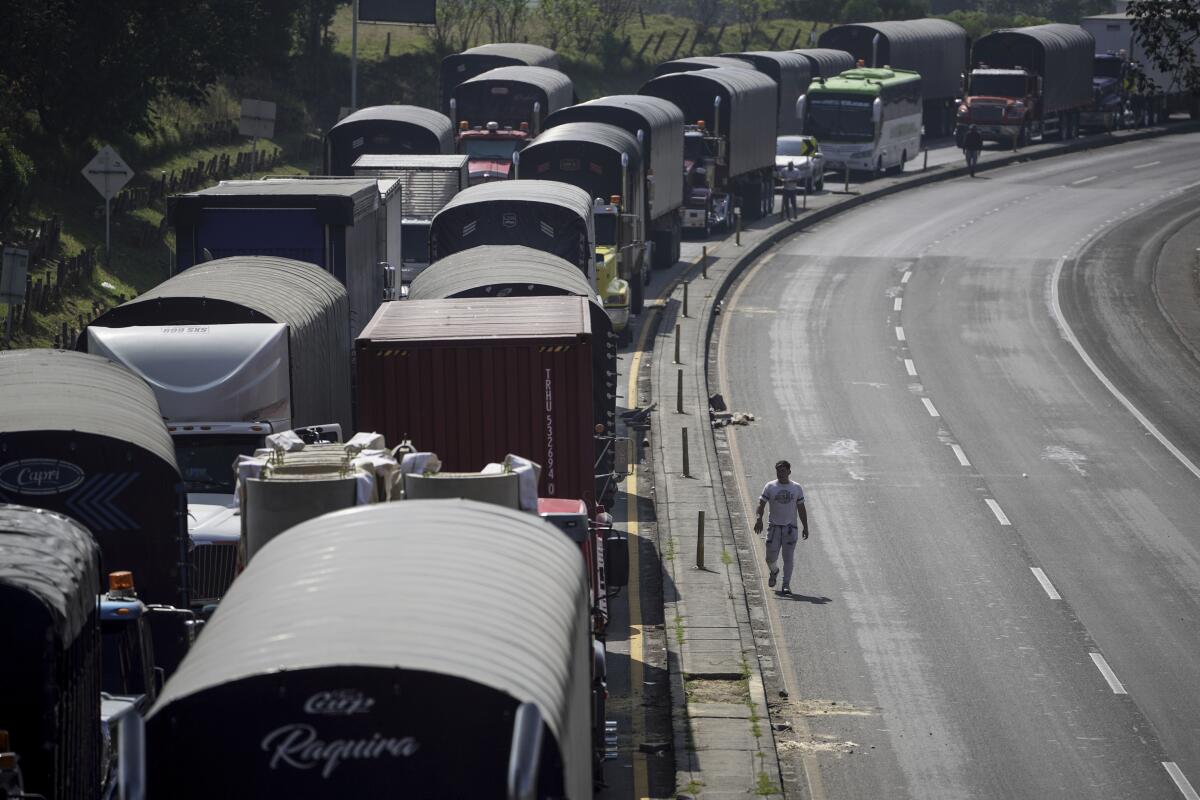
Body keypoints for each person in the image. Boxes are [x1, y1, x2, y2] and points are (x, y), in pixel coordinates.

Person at [753, 460, 809, 596]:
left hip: (790, 529)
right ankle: (774, 571)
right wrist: (759, 519)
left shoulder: (796, 488)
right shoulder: (770, 486)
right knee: (769, 559)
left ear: (789, 472)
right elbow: (761, 504)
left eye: (783, 471)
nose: (780, 473)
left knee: (788, 558)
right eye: (778, 471)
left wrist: (805, 527)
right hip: (774, 529)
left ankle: (786, 584)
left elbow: (801, 508)